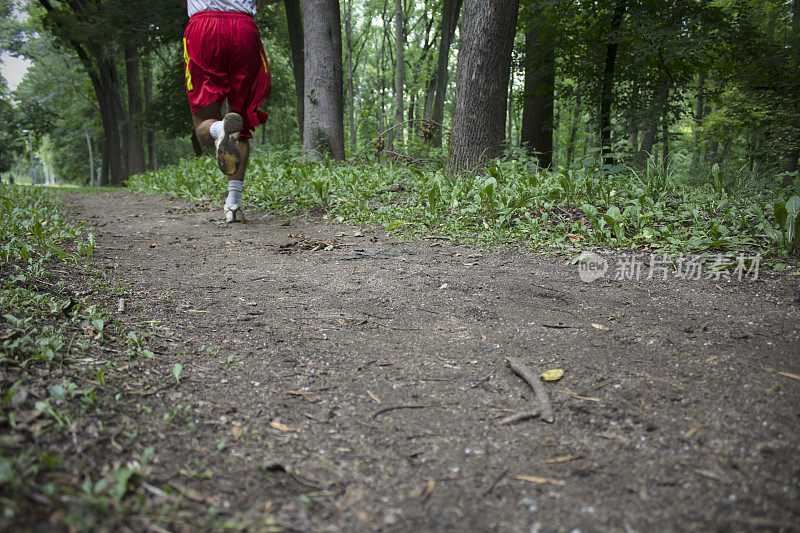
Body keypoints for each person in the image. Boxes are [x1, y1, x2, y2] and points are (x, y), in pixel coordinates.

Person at [176, 0, 280, 222]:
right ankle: (233, 204)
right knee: (239, 121)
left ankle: (218, 129)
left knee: (204, 121)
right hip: (243, 29)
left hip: (203, 28)